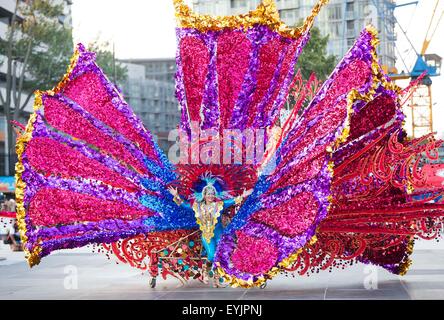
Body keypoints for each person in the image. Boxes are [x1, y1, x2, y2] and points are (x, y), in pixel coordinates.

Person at [168, 183, 252, 285]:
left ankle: (218, 277)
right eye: (208, 194)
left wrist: (243, 196)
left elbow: (233, 201)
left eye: (212, 194)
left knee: (221, 254)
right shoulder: (197, 206)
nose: (210, 196)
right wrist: (176, 196)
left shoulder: (219, 205)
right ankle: (205, 272)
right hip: (207, 235)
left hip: (219, 234)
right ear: (204, 195)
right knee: (211, 254)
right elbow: (184, 205)